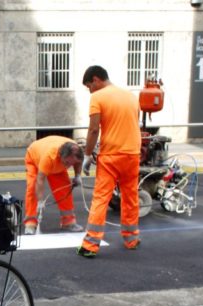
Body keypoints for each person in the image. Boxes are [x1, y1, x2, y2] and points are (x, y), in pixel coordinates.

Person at [77, 65, 141, 258]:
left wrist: (87, 155)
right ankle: (132, 239)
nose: (90, 90)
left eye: (89, 86)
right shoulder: (130, 96)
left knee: (101, 198)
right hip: (132, 154)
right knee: (130, 197)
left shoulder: (98, 97)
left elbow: (94, 130)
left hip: (111, 156)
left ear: (96, 80)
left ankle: (90, 245)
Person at [22, 135, 85, 235]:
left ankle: (68, 222)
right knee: (32, 187)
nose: (68, 166)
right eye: (67, 163)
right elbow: (40, 180)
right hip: (34, 158)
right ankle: (30, 223)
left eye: (71, 164)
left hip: (56, 164)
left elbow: (77, 162)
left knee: (64, 189)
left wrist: (77, 175)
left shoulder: (76, 152)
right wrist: (40, 201)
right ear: (61, 156)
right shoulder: (49, 157)